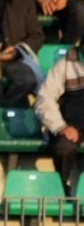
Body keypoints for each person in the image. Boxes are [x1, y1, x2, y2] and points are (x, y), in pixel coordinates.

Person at [35, 44, 84, 193]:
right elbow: (44, 99)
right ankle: (61, 190)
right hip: (71, 126)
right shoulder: (64, 65)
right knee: (63, 148)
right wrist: (61, 127)